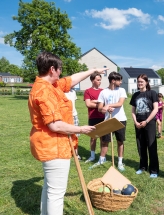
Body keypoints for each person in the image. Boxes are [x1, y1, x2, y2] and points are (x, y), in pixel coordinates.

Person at [28, 51, 108, 214]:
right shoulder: (44, 91)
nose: (61, 72)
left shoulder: (51, 85)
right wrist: (81, 129)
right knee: (56, 193)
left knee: (50, 189)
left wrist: (93, 71)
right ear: (52, 69)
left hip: (53, 145)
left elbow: (72, 80)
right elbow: (55, 125)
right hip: (54, 147)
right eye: (60, 69)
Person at [90, 72, 127, 171]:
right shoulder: (103, 92)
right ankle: (101, 160)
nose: (121, 82)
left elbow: (120, 103)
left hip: (120, 119)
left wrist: (109, 106)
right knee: (105, 141)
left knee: (120, 141)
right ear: (113, 81)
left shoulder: (122, 90)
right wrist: (105, 109)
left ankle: (120, 162)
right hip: (108, 120)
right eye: (119, 80)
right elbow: (100, 108)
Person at [130, 74, 159, 178]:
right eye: (138, 82)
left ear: (146, 82)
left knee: (151, 146)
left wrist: (146, 121)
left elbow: (155, 109)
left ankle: (154, 170)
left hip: (149, 123)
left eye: (141, 81)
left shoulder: (152, 93)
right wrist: (135, 122)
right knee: (141, 146)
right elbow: (133, 110)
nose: (139, 83)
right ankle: (142, 167)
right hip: (138, 124)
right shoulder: (135, 95)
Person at [84, 72, 105, 163]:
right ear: (92, 80)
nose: (99, 81)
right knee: (93, 137)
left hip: (103, 117)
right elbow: (88, 104)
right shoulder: (87, 91)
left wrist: (95, 101)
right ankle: (92, 156)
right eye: (98, 80)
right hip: (93, 117)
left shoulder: (103, 91)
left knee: (102, 138)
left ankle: (102, 157)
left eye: (100, 80)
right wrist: (99, 104)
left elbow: (105, 103)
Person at [65, 88, 81, 160]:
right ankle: (67, 152)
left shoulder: (73, 92)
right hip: (65, 116)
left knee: (75, 135)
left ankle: (76, 153)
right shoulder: (62, 92)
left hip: (74, 115)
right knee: (66, 135)